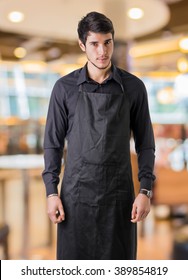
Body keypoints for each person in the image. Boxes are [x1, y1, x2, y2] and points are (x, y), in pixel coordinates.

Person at [42, 11, 155, 260]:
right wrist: (51, 192)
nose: (102, 51)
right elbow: (52, 144)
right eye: (94, 44)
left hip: (119, 199)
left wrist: (145, 190)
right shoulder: (64, 89)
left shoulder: (134, 88)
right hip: (76, 198)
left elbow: (146, 144)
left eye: (108, 42)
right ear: (82, 45)